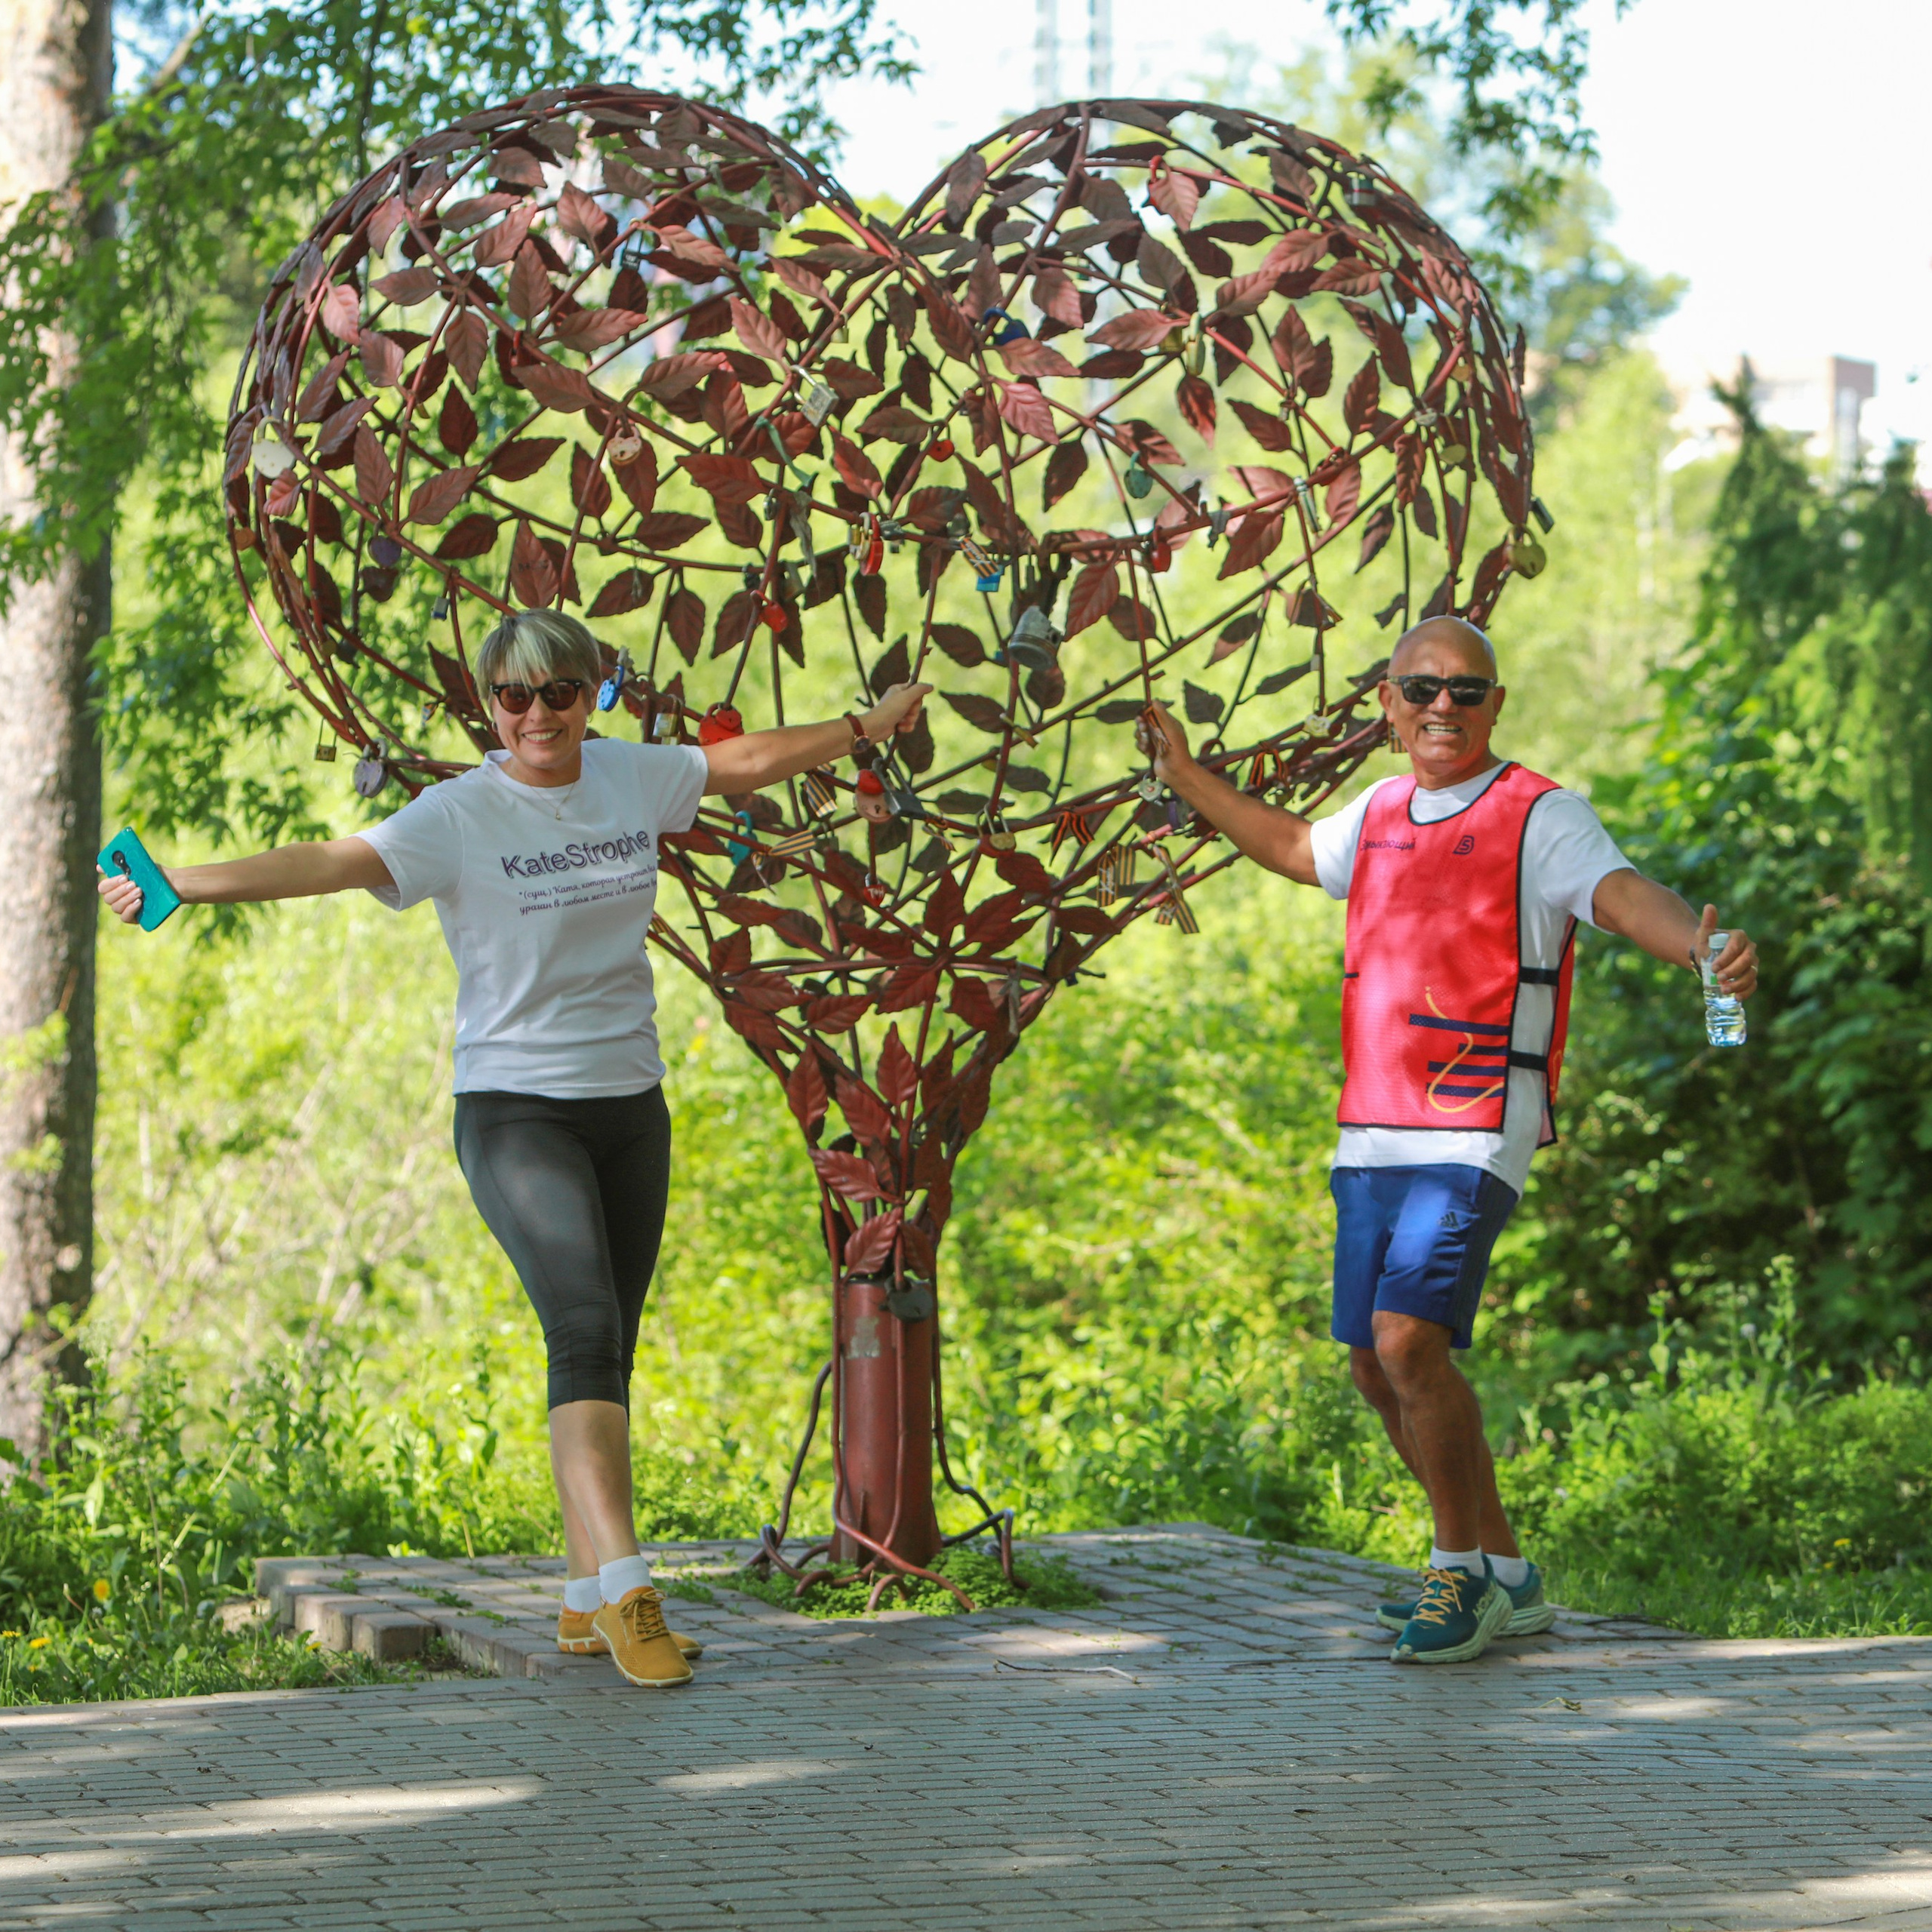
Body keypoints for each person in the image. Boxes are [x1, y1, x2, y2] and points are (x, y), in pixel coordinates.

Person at [100, 608, 931, 1690]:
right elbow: (333, 859)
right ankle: (632, 1591)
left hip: (629, 1104)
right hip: (514, 1109)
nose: (537, 715)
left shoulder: (632, 778)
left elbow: (744, 762)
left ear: (591, 696)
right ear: (489, 706)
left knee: (607, 1348)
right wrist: (183, 886)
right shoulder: (459, 815)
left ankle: (584, 1604)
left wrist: (862, 729)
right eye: (514, 697)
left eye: (560, 693)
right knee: (582, 1327)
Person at [1136, 616, 1758, 1664]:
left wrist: (1699, 946)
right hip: (1370, 1126)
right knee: (1374, 1372)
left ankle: (1457, 1573)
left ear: (1495, 706)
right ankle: (1508, 1573)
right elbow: (1291, 846)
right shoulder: (1379, 812)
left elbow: (1620, 896)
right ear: (1389, 700)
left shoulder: (1540, 816)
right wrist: (1185, 774)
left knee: (1406, 1341)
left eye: (1465, 692)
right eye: (1421, 689)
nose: (1441, 708)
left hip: (1474, 1122)